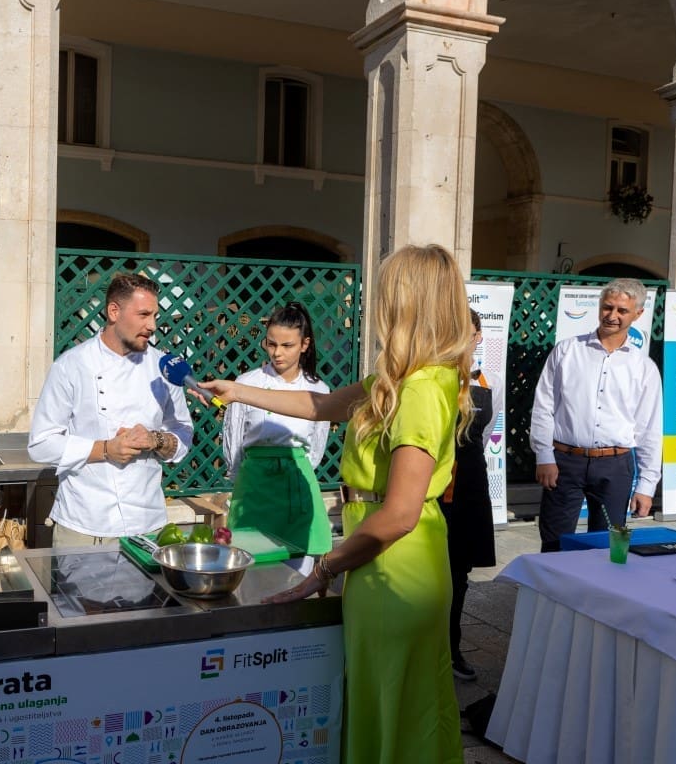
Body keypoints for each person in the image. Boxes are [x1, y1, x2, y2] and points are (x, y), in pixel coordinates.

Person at [199, 243, 474, 763]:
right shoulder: (406, 378)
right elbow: (322, 405)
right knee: (394, 698)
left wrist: (326, 567)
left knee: (393, 701)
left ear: (407, 304)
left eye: (386, 293)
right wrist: (238, 391)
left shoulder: (419, 388)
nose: (376, 305)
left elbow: (400, 513)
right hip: (386, 558)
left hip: (396, 565)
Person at [27, 273, 194, 547]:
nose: (152, 325)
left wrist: (156, 439)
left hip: (148, 525)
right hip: (84, 526)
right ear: (114, 311)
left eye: (155, 315)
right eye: (143, 315)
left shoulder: (163, 368)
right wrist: (105, 449)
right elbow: (41, 444)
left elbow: (183, 434)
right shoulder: (71, 366)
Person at [530, 278, 662, 552]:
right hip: (564, 462)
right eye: (607, 307)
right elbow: (544, 406)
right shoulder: (567, 351)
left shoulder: (644, 367)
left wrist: (647, 486)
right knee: (554, 544)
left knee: (610, 547)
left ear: (638, 314)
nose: (612, 315)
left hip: (615, 466)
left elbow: (649, 429)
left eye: (622, 311)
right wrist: (544, 455)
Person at [221, 302, 331, 564]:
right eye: (271, 344)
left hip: (297, 486)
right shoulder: (247, 383)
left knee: (299, 566)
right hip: (255, 485)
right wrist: (240, 480)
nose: (277, 353)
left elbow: (316, 449)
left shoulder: (319, 390)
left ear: (304, 344)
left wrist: (298, 468)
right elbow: (233, 440)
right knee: (250, 565)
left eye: (287, 345)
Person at [439, 308, 497, 682]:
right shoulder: (433, 377)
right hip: (435, 481)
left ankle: (451, 647)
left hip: (470, 483)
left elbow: (486, 430)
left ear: (478, 337)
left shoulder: (488, 381)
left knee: (459, 572)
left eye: (468, 333)